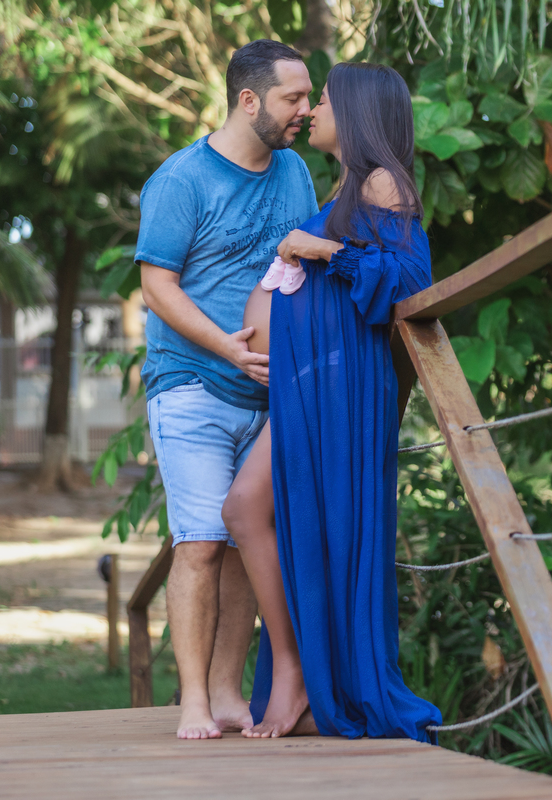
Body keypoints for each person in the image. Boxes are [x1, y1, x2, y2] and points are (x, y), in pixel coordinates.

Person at [222, 62, 441, 741]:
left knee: (252, 508)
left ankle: (299, 677)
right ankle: (295, 672)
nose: (313, 109)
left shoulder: (382, 181)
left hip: (341, 391)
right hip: (313, 387)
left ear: (357, 110)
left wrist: (320, 248)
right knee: (256, 511)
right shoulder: (352, 185)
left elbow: (404, 277)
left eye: (321, 99)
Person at [135, 40, 319, 740]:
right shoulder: (182, 179)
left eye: (308, 98)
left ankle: (228, 691)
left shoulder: (295, 173)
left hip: (270, 397)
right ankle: (190, 702)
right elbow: (156, 285)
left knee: (246, 541)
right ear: (249, 101)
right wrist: (227, 348)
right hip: (193, 384)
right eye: (292, 99)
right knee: (203, 542)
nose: (305, 111)